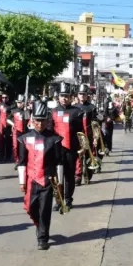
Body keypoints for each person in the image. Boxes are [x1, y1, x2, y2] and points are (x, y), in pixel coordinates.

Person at [17, 100, 64, 251]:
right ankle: (39, 226)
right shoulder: (24, 139)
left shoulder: (54, 139)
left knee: (45, 209)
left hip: (48, 180)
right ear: (32, 119)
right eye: (37, 120)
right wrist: (21, 181)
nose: (40, 123)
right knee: (31, 208)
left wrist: (60, 182)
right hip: (31, 180)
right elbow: (22, 162)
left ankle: (43, 237)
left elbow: (59, 162)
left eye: (43, 120)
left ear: (48, 120)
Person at [51, 82, 84, 210]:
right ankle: (58, 200)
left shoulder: (77, 112)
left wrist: (82, 147)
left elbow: (80, 131)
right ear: (58, 97)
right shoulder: (53, 112)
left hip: (71, 149)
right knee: (57, 177)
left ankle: (68, 199)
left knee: (69, 176)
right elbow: (49, 130)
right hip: (57, 150)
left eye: (66, 96)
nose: (64, 98)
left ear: (71, 97)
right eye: (62, 96)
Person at [73, 84, 98, 184]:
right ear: (77, 95)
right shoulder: (74, 107)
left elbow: (95, 124)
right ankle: (77, 176)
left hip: (89, 135)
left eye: (84, 94)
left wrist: (96, 138)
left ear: (87, 95)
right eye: (80, 94)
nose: (82, 95)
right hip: (77, 136)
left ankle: (88, 174)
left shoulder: (92, 108)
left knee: (89, 155)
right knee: (78, 156)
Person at [8, 94, 27, 167]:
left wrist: (27, 111)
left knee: (23, 148)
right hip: (16, 131)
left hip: (24, 131)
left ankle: (23, 161)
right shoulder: (13, 111)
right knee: (15, 147)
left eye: (21, 102)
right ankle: (17, 161)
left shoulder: (26, 111)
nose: (20, 103)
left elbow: (29, 120)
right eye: (18, 102)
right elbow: (8, 119)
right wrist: (13, 124)